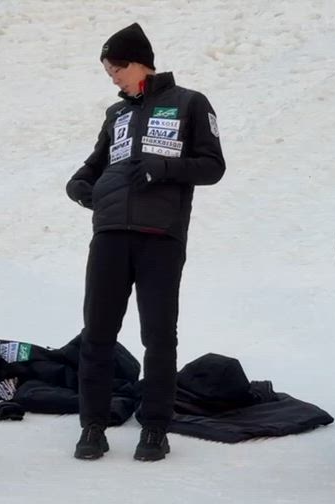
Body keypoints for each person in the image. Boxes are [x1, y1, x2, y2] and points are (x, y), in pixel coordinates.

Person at [65, 22, 225, 462]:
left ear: (141, 63)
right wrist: (79, 186)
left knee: (158, 336)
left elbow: (213, 166)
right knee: (97, 333)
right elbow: (94, 166)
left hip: (161, 238)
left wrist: (161, 169)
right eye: (108, 70)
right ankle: (92, 427)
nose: (112, 76)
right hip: (110, 236)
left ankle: (155, 427)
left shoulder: (189, 103)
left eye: (117, 67)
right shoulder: (116, 115)